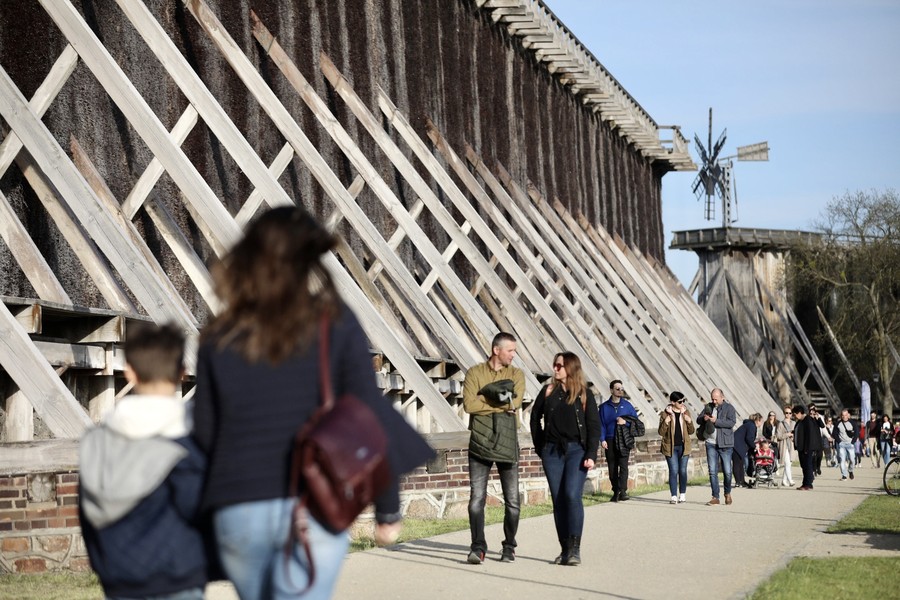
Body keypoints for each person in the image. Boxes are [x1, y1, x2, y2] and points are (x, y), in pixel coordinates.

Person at [192, 206, 433, 599]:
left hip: (237, 512)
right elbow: (367, 415)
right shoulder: (332, 323)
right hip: (310, 505)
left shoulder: (219, 335)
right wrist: (388, 508)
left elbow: (205, 434)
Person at [79, 323, 211, 600]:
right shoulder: (190, 441)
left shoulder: (96, 442)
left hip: (119, 577)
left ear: (129, 372)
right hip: (179, 574)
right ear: (182, 373)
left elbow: (87, 513)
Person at [530, 352, 600, 566]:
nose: (555, 369)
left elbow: (593, 427)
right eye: (554, 365)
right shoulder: (548, 391)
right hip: (551, 452)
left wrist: (590, 454)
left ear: (570, 367)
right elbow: (534, 418)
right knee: (559, 500)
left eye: (560, 365)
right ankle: (564, 549)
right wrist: (540, 446)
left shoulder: (584, 394)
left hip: (576, 451)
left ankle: (575, 549)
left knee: (571, 494)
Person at [462, 332, 526, 564]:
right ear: (496, 350)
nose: (513, 354)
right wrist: (499, 402)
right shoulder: (474, 372)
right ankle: (477, 547)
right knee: (476, 498)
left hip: (507, 441)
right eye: (510, 350)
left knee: (512, 501)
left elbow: (514, 402)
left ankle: (509, 546)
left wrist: (485, 396)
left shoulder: (516, 374)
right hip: (480, 441)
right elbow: (469, 404)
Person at [599, 379, 639, 501]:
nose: (620, 391)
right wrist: (602, 439)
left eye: (622, 389)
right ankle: (615, 490)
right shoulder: (604, 407)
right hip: (610, 440)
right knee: (612, 467)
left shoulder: (627, 406)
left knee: (623, 466)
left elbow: (636, 422)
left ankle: (623, 491)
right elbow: (601, 424)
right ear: (611, 390)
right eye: (617, 389)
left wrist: (625, 422)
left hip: (623, 440)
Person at [698, 388, 737, 506]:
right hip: (710, 443)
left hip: (725, 443)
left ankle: (727, 493)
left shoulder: (729, 408)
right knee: (712, 471)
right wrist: (703, 419)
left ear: (722, 397)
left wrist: (717, 421)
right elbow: (698, 419)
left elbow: (731, 423)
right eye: (712, 399)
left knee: (727, 471)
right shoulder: (708, 407)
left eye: (716, 399)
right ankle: (715, 496)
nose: (714, 401)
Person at [658, 391, 695, 504]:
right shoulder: (665, 414)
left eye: (684, 401)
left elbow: (691, 431)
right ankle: (674, 496)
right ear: (673, 402)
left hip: (684, 446)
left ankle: (682, 494)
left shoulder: (686, 412)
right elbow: (660, 432)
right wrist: (666, 422)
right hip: (671, 447)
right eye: (680, 401)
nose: (682, 403)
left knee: (682, 471)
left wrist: (689, 422)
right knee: (673, 471)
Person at [793, 404, 824, 490]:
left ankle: (808, 483)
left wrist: (807, 448)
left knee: (808, 466)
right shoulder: (800, 421)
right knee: (804, 466)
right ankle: (806, 483)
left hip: (806, 448)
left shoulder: (808, 420)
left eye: (795, 414)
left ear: (799, 413)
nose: (794, 416)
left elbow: (809, 435)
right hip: (801, 448)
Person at [733, 413, 762, 489]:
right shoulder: (751, 426)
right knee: (737, 464)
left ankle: (741, 481)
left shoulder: (749, 425)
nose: (761, 423)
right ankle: (738, 482)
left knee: (740, 464)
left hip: (738, 445)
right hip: (736, 445)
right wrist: (755, 446)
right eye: (761, 421)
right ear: (758, 421)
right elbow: (749, 438)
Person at [830, 409, 858, 482]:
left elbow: (856, 432)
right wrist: (839, 442)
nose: (844, 417)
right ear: (841, 416)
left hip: (850, 444)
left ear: (848, 415)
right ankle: (844, 475)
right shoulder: (838, 423)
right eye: (843, 415)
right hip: (842, 444)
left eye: (845, 415)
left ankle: (850, 471)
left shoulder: (853, 423)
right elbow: (834, 433)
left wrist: (853, 441)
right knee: (842, 460)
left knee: (852, 460)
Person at [778, 407, 796, 487]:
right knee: (787, 463)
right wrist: (787, 435)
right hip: (784, 445)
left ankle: (784, 480)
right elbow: (778, 436)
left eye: (789, 413)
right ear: (784, 413)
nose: (788, 415)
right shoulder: (781, 423)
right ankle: (790, 480)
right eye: (786, 413)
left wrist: (793, 437)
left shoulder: (794, 423)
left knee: (789, 464)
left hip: (791, 445)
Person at [809, 405, 827, 475]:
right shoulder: (807, 419)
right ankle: (814, 469)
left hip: (818, 440)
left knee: (819, 455)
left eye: (814, 412)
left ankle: (818, 467)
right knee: (813, 456)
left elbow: (822, 426)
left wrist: (818, 418)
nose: (812, 414)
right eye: (811, 412)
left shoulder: (818, 419)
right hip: (811, 440)